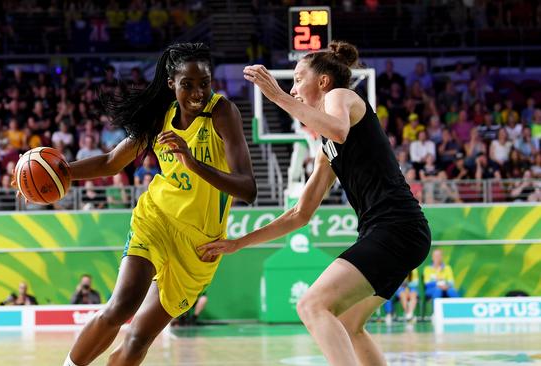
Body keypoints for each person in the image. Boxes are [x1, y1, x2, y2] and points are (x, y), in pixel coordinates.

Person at [200, 41, 430, 366]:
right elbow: (299, 214)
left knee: (311, 305)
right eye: (290, 83)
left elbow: (338, 129)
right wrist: (239, 243)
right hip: (397, 234)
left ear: (322, 82)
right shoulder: (326, 148)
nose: (293, 89)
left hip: (396, 228)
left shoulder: (340, 96)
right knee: (349, 325)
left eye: (297, 79)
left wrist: (276, 95)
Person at [51, 43, 256, 366]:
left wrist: (191, 161)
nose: (198, 92)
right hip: (157, 220)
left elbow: (248, 189)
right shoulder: (161, 117)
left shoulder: (222, 112)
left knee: (138, 340)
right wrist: (57, 173)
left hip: (201, 244)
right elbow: (110, 162)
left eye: (204, 82)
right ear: (171, 83)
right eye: (187, 84)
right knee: (121, 306)